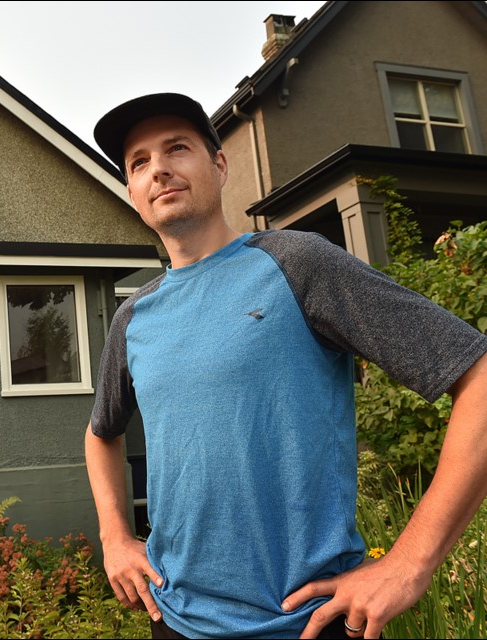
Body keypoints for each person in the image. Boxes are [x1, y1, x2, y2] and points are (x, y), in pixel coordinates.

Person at [84, 92, 487, 640]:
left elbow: (478, 375)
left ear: (219, 165)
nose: (159, 169)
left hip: (304, 624)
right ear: (132, 192)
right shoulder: (133, 318)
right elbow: (100, 433)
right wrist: (114, 535)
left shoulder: (297, 264)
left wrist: (409, 563)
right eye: (139, 162)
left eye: (177, 148)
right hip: (174, 621)